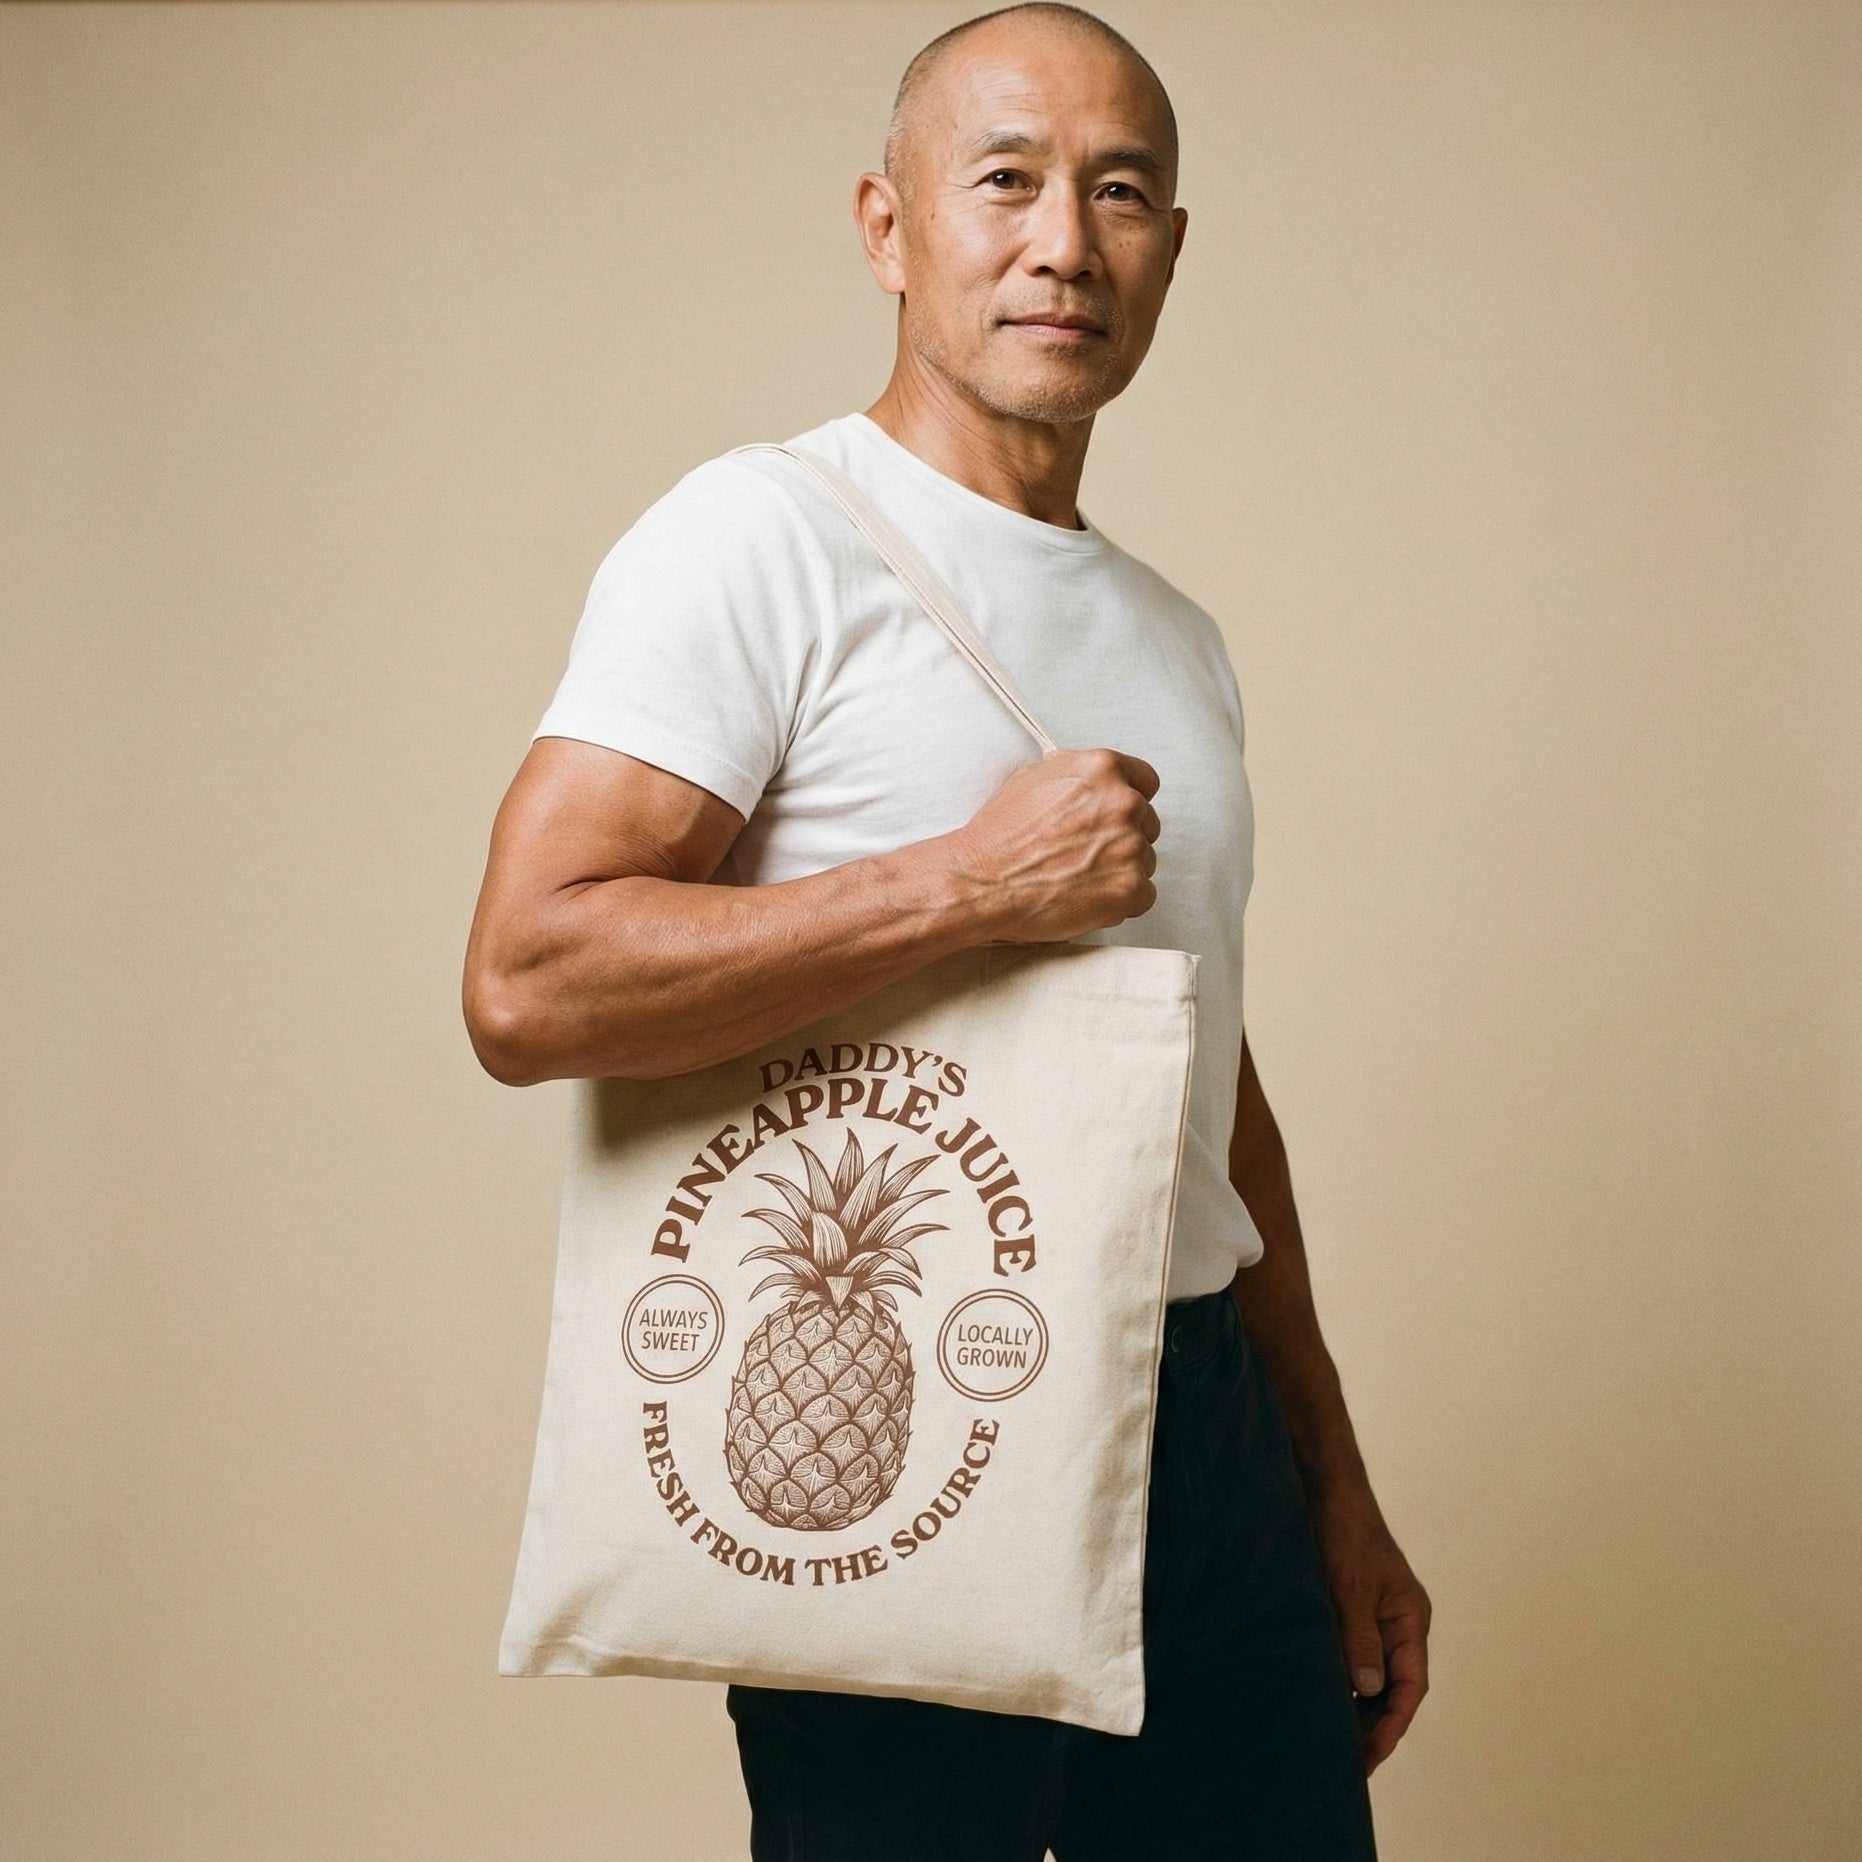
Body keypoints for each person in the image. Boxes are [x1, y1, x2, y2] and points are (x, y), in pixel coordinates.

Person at [464, 4, 1429, 1855]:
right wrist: (966, 888)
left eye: (1120, 191)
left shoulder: (1176, 635)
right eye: (1005, 180)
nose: (1064, 239)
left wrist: (1332, 1487)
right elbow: (525, 977)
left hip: (1207, 1412)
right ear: (886, 228)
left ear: (1166, 247)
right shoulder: (757, 537)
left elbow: (1207, 1084)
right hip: (921, 1396)